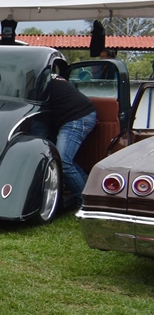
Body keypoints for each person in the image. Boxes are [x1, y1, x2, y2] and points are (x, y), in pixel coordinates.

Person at [34, 62, 97, 210]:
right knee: (65, 159)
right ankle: (88, 184)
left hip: (77, 118)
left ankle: (86, 204)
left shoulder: (37, 80)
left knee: (63, 163)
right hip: (81, 113)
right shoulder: (46, 76)